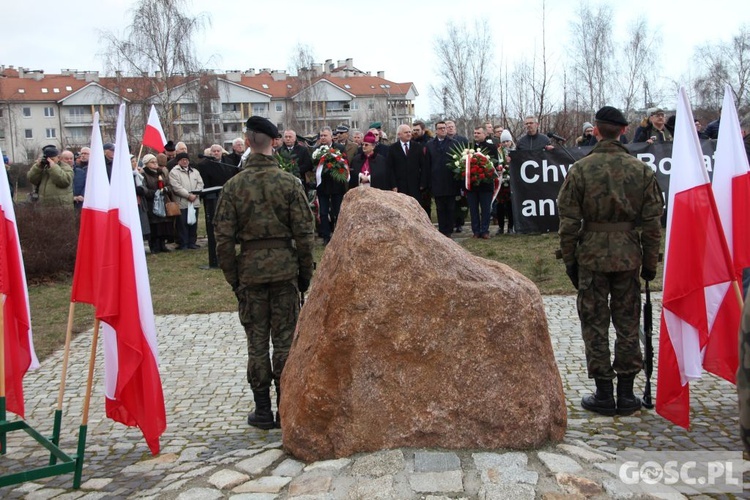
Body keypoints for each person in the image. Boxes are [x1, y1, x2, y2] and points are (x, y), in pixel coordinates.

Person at [557, 105, 663, 417]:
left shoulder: (580, 170)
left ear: (597, 131)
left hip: (591, 256)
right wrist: (651, 264)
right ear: (623, 131)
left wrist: (570, 262)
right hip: (629, 256)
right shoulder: (641, 170)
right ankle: (627, 395)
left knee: (595, 323)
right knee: (628, 323)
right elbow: (653, 224)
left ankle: (604, 393)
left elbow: (568, 223)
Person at [214, 116, 314, 430]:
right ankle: (285, 408)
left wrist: (234, 278)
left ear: (247, 140)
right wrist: (304, 274)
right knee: (284, 342)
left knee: (256, 343)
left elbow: (223, 240)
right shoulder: (289, 183)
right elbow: (305, 234)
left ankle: (262, 410)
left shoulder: (234, 185)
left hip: (250, 273)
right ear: (273, 142)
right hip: (284, 271)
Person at [300, 126, 347, 244]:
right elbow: (312, 166)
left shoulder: (340, 148)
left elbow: (344, 164)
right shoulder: (316, 150)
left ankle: (340, 235)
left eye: (325, 135)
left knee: (338, 212)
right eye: (321, 136)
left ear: (331, 136)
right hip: (323, 186)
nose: (323, 138)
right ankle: (326, 236)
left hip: (337, 185)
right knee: (323, 212)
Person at [424, 121, 459, 237]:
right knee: (440, 208)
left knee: (450, 207)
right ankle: (442, 230)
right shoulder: (430, 145)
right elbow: (427, 165)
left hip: (450, 181)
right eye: (440, 128)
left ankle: (449, 229)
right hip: (436, 181)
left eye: (444, 128)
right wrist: (429, 183)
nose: (443, 130)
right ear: (436, 130)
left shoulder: (454, 143)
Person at [467, 125, 499, 239]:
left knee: (486, 209)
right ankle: (476, 231)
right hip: (472, 184)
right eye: (475, 133)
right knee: (473, 209)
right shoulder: (468, 147)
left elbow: (494, 164)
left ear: (485, 134)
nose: (476, 135)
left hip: (485, 183)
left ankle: (485, 230)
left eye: (478, 133)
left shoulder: (491, 147)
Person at [141, 153, 175, 254]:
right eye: (152, 162)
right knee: (155, 226)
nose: (155, 164)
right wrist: (155, 193)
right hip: (152, 203)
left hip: (163, 201)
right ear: (146, 164)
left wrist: (165, 189)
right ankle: (154, 245)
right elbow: (144, 189)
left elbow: (169, 184)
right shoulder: (144, 174)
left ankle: (162, 244)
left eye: (155, 162)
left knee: (163, 224)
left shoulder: (161, 173)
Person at [168, 151, 203, 250]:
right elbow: (176, 187)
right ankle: (183, 243)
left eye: (186, 159)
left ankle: (192, 242)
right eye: (182, 160)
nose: (185, 161)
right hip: (182, 202)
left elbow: (200, 184)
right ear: (178, 161)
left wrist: (195, 194)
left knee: (193, 223)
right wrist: (188, 195)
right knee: (182, 224)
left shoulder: (195, 171)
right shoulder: (174, 172)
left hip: (194, 202)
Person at [387, 124, 425, 203]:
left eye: (409, 132)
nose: (408, 134)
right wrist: (393, 185)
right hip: (400, 186)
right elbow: (390, 168)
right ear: (399, 135)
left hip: (415, 185)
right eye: (406, 132)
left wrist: (422, 183)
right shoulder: (392, 149)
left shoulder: (417, 147)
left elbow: (423, 166)